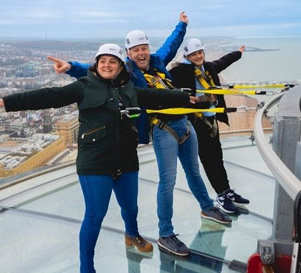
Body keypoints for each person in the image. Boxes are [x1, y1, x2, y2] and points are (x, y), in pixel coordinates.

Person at [0, 44, 197, 273]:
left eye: (112, 61)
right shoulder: (85, 86)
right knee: (95, 215)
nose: (107, 65)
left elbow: (156, 96)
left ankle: (132, 235)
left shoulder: (130, 88)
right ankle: (87, 267)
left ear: (120, 66)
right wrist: (8, 103)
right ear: (96, 64)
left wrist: (185, 98)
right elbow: (49, 96)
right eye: (103, 61)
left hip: (125, 159)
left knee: (131, 208)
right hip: (95, 163)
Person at [48, 12, 231, 257]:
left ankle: (207, 207)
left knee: (194, 171)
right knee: (168, 180)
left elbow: (171, 44)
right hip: (162, 128)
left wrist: (182, 25)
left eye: (144, 47)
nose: (141, 53)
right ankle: (166, 233)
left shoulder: (157, 60)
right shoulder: (127, 74)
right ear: (128, 54)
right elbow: (96, 70)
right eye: (136, 50)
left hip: (184, 124)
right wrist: (71, 67)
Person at [169, 38, 250, 214]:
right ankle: (221, 196)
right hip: (196, 122)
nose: (198, 56)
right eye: (194, 54)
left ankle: (227, 191)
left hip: (211, 119)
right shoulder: (180, 72)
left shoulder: (208, 68)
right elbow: (166, 84)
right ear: (187, 56)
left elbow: (223, 61)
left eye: (200, 53)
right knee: (208, 159)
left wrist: (238, 54)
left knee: (217, 156)